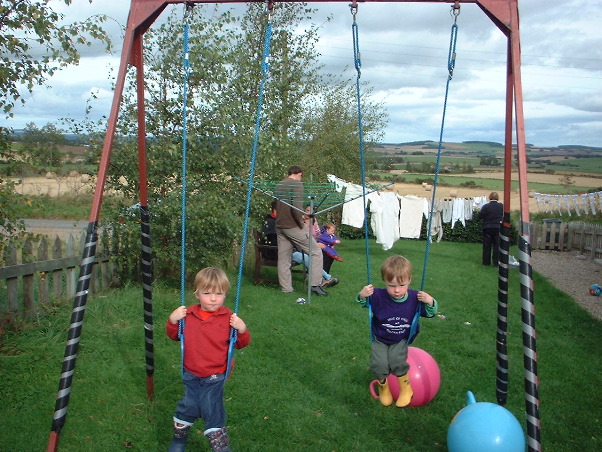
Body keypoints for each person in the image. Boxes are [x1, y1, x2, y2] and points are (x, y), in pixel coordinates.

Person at [166, 267, 251, 452]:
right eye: (207, 293)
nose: (213, 298)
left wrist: (242, 329)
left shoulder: (229, 318)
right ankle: (179, 439)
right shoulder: (188, 315)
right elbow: (175, 336)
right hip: (190, 373)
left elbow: (240, 344)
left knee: (211, 407)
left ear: (225, 294)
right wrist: (173, 321)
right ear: (197, 294)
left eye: (218, 294)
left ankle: (219, 445)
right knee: (188, 405)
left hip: (215, 375)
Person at [356, 255, 438, 408]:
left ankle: (406, 389)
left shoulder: (415, 298)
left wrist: (430, 301)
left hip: (401, 338)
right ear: (385, 281)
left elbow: (431, 312)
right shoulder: (378, 296)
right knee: (378, 364)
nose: (397, 290)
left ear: (409, 280)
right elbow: (362, 301)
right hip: (380, 337)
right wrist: (363, 294)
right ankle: (384, 388)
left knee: (396, 360)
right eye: (391, 285)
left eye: (402, 285)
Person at [274, 166, 327, 296]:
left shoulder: (279, 184)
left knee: (283, 258)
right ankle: (315, 284)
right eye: (301, 176)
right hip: (293, 225)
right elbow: (296, 206)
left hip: (280, 225)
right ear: (299, 174)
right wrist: (302, 220)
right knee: (315, 251)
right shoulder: (297, 184)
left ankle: (286, 289)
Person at [478, 191, 504, 266]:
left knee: (487, 246)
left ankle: (486, 262)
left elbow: (480, 216)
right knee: (497, 246)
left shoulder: (486, 206)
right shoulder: (501, 206)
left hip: (487, 227)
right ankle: (496, 262)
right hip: (497, 227)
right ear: (497, 198)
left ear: (490, 197)